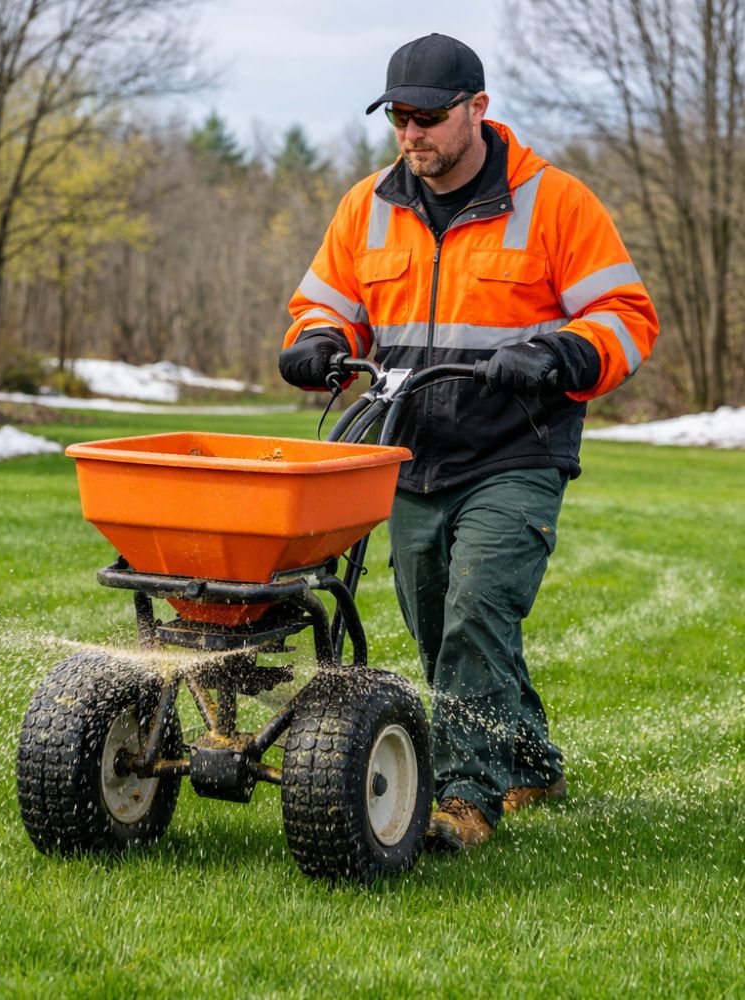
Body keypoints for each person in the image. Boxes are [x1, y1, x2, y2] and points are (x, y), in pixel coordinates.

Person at [278, 34, 658, 852]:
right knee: (436, 623)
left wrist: (561, 353)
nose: (411, 135)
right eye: (398, 119)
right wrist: (316, 342)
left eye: (427, 117)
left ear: (477, 110)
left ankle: (463, 797)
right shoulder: (367, 205)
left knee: (479, 610)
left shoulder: (554, 203)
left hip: (515, 450)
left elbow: (626, 318)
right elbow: (326, 304)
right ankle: (531, 760)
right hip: (410, 454)